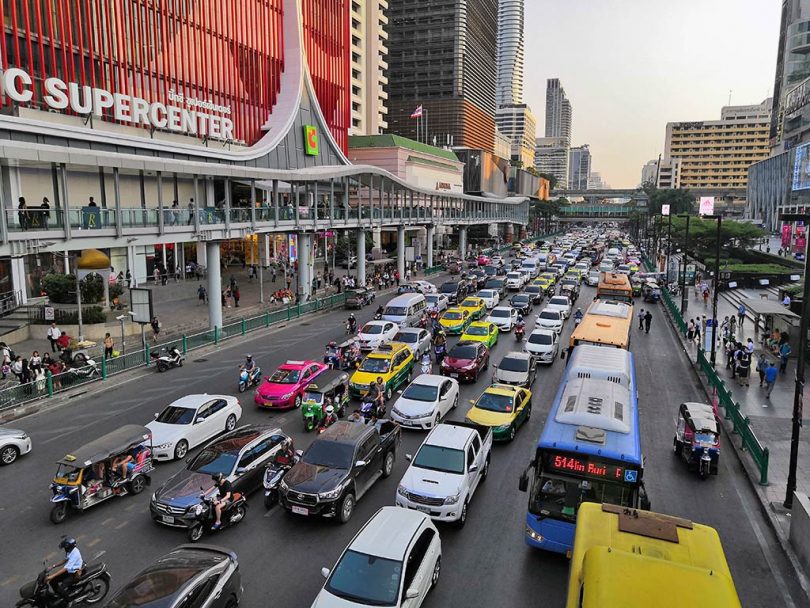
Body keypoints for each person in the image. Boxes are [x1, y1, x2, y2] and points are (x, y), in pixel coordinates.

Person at [47, 536, 83, 602]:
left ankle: (69, 601)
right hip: (70, 570)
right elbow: (65, 560)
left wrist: (52, 575)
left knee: (60, 589)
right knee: (52, 581)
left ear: (68, 547)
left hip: (74, 573)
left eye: (65, 547)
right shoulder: (70, 551)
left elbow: (65, 569)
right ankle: (60, 597)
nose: (64, 549)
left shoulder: (75, 554)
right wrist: (53, 566)